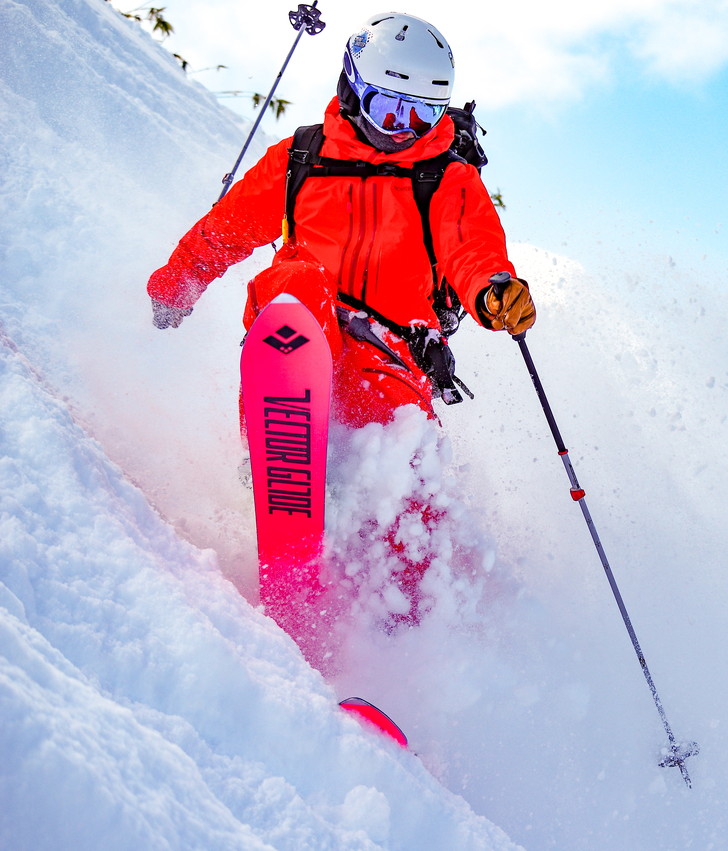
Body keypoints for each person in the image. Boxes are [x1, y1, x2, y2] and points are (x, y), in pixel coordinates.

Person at [146, 12, 533, 663]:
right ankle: (286, 437)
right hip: (303, 335)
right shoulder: (301, 157)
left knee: (410, 466)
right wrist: (175, 283)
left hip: (390, 358)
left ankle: (398, 645)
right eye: (387, 106)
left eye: (419, 115)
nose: (398, 130)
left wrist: (495, 289)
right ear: (354, 87)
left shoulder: (447, 178)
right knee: (296, 282)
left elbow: (473, 249)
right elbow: (228, 228)